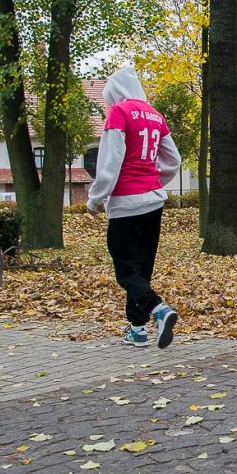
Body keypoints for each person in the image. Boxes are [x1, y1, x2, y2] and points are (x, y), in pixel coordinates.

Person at [87, 67, 181, 349]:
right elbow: (173, 160)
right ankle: (137, 329)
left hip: (126, 201)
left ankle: (159, 310)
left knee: (126, 270)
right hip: (153, 201)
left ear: (114, 92)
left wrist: (95, 198)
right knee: (142, 268)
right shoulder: (155, 116)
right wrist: (154, 181)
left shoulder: (119, 112)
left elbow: (110, 160)